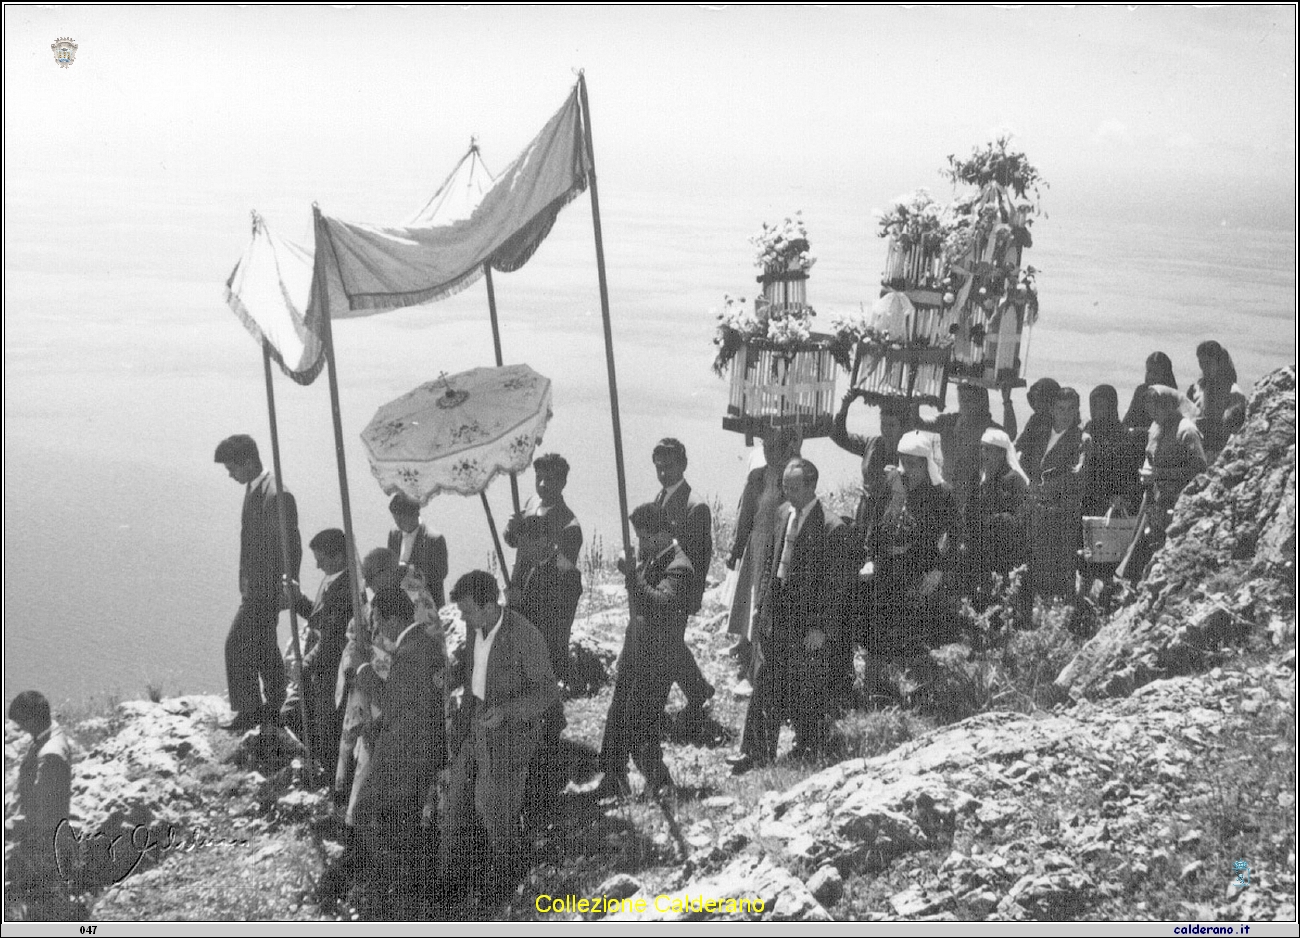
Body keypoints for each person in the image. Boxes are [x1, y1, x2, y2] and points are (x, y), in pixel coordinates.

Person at [318, 588, 445, 903]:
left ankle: (394, 884)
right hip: (414, 747)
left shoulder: (412, 651)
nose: (373, 627)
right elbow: (409, 703)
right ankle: (404, 886)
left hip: (403, 753)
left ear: (392, 618)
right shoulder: (422, 645)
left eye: (375, 618)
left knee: (365, 814)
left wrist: (362, 669)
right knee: (401, 823)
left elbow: (390, 702)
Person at [443, 571, 560, 902]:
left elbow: (547, 692)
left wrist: (508, 711)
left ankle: (507, 879)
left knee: (494, 809)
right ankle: (452, 882)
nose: (462, 617)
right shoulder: (474, 625)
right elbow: (474, 673)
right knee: (455, 804)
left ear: (489, 605)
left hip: (509, 737)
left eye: (466, 610)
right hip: (474, 726)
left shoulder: (525, 636)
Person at [728, 458, 849, 773]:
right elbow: (769, 563)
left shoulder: (831, 527)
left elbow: (836, 586)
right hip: (776, 612)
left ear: (811, 486)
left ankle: (809, 746)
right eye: (785, 485)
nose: (787, 492)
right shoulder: (783, 514)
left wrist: (822, 627)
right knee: (765, 679)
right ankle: (755, 751)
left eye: (794, 487)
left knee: (804, 684)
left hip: (807, 619)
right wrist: (761, 605)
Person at [591, 502, 693, 798]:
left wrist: (632, 577)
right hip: (637, 651)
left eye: (642, 536)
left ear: (659, 535)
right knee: (618, 716)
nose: (638, 543)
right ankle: (613, 776)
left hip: (658, 659)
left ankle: (660, 783)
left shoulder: (679, 567)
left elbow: (661, 605)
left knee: (641, 723)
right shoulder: (654, 558)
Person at [858, 431, 963, 696]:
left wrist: (939, 569)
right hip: (885, 568)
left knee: (915, 632)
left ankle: (921, 693)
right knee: (878, 629)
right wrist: (870, 559)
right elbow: (874, 522)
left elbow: (957, 535)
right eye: (905, 462)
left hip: (919, 571)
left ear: (926, 463)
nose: (910, 469)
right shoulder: (891, 482)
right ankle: (876, 691)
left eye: (915, 463)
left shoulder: (942, 495)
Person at [214, 434, 301, 734]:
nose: (229, 474)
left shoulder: (276, 493)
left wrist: (289, 582)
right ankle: (276, 705)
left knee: (236, 644)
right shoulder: (256, 489)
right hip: (255, 588)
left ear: (249, 462)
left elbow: (291, 543)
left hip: (267, 590)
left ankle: (250, 709)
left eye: (232, 467)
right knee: (263, 646)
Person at [830, 389, 908, 699]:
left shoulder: (908, 454)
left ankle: (875, 677)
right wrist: (845, 404)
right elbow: (838, 435)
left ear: (903, 426)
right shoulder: (872, 444)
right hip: (865, 518)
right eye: (884, 423)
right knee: (853, 588)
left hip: (889, 525)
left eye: (893, 425)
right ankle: (847, 673)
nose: (887, 430)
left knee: (878, 600)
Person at [725, 427, 801, 677]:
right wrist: (736, 547)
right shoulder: (758, 476)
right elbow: (745, 513)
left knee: (763, 596)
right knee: (749, 593)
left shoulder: (790, 480)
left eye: (774, 448)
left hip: (775, 545)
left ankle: (756, 651)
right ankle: (744, 643)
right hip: (756, 542)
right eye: (765, 447)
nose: (768, 453)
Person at [280, 528, 353, 772]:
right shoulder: (333, 580)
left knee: (327, 732)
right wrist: (298, 600)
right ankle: (323, 768)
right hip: (318, 670)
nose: (317, 566)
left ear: (339, 557)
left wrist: (306, 664)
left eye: (321, 559)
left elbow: (332, 638)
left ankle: (331, 781)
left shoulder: (348, 589)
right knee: (293, 714)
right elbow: (319, 619)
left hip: (331, 673)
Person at [650, 438, 714, 711]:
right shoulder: (662, 496)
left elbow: (700, 557)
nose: (663, 473)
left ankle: (659, 702)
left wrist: (694, 597)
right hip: (660, 586)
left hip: (679, 589)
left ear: (684, 465)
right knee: (669, 644)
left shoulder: (694, 506)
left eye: (669, 466)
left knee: (668, 645)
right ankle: (698, 690)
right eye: (659, 467)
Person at [1125, 385, 1209, 579]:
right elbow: (1151, 451)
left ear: (1169, 406)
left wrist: (1161, 473)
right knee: (1140, 546)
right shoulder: (1156, 427)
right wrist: (1148, 471)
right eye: (1149, 409)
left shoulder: (1186, 431)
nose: (1153, 414)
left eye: (1157, 408)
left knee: (1160, 549)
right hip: (1154, 498)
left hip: (1175, 501)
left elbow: (1199, 469)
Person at [1023, 387, 1092, 599]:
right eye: (1061, 408)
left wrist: (1045, 484)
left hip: (1061, 516)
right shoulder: (1041, 432)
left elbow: (1077, 475)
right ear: (1053, 409)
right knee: (1031, 568)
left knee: (1060, 574)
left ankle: (1060, 622)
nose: (1066, 414)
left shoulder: (1082, 439)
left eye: (1071, 409)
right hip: (1034, 512)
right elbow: (1022, 457)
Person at [6, 691, 73, 905]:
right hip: (44, 838)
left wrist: (12, 827)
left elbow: (44, 811)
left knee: (43, 903)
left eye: (22, 723)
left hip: (44, 844)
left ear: (33, 720)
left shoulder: (50, 755)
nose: (21, 729)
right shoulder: (50, 734)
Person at [915, 383, 1016, 514]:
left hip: (973, 495)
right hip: (948, 489)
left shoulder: (988, 427)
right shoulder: (949, 421)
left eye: (970, 400)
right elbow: (917, 423)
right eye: (961, 399)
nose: (964, 404)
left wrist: (1007, 401)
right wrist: (917, 401)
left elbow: (1010, 434)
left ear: (982, 403)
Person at [964, 428, 1031, 604]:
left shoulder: (1015, 480)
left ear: (1002, 453)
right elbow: (969, 512)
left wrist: (992, 520)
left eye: (989, 449)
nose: (984, 453)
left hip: (1005, 554)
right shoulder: (978, 478)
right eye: (982, 448)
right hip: (980, 553)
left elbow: (1020, 520)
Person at [504, 453, 582, 567]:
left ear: (562, 483)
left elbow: (562, 575)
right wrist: (511, 528)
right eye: (539, 478)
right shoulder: (532, 503)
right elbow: (513, 541)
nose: (542, 484)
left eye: (549, 479)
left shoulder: (570, 527)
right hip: (519, 582)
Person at [1187, 340, 1248, 461]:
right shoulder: (1195, 389)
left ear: (1219, 363)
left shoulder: (1234, 393)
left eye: (1208, 363)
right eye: (1201, 363)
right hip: (1194, 450)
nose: (1204, 368)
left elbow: (1235, 430)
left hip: (1219, 453)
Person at [387, 493, 449, 609]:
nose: (398, 524)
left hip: (428, 605)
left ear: (414, 515)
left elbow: (441, 573)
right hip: (401, 605)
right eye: (396, 520)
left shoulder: (434, 539)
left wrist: (410, 571)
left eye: (401, 520)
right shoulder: (394, 533)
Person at [1121, 351, 1178, 433]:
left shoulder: (1172, 396)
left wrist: (1142, 431)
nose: (1150, 376)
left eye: (1155, 373)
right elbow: (1127, 422)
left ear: (1166, 374)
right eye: (1148, 371)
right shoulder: (1141, 392)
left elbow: (1169, 428)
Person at [1015, 376, 1062, 472]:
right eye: (1036, 400)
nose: (1036, 404)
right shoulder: (1036, 420)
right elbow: (1019, 445)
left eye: (1040, 400)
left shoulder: (1060, 425)